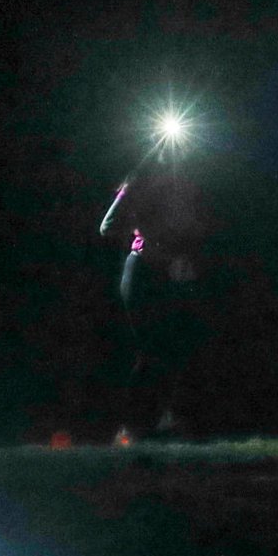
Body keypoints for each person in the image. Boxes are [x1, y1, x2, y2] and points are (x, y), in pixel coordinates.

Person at [98, 129, 209, 439]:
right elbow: (107, 226)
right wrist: (146, 242)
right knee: (151, 347)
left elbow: (196, 229)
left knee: (176, 346)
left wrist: (185, 255)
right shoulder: (139, 181)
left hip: (175, 273)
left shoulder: (189, 186)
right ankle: (132, 425)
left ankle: (163, 418)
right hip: (144, 272)